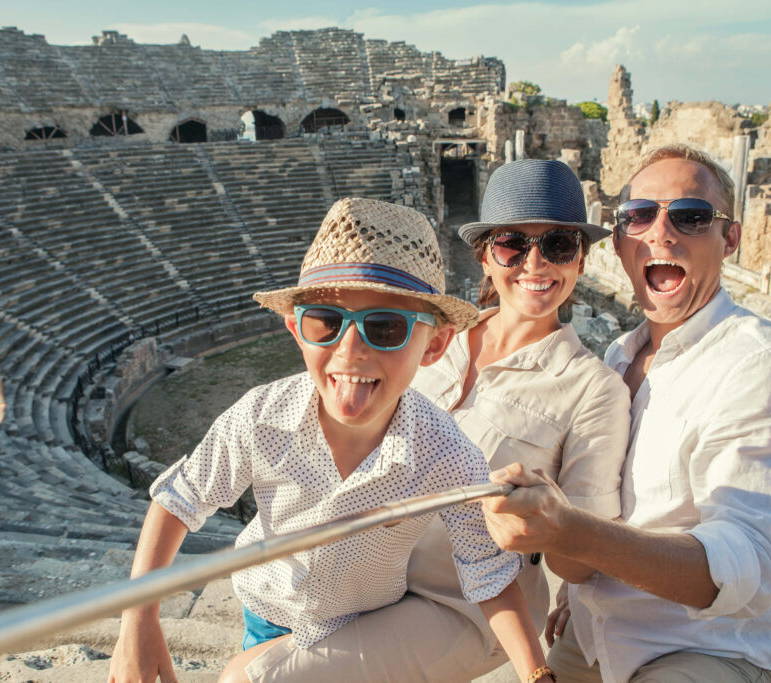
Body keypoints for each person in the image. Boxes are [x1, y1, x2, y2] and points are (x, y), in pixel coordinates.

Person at [107, 197, 550, 683]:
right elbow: (178, 500)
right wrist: (139, 621)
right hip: (267, 612)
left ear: (435, 345)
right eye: (326, 322)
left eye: (385, 327)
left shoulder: (445, 453)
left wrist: (537, 673)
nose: (350, 350)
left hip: (362, 626)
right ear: (296, 329)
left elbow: (487, 572)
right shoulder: (260, 416)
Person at [246, 160, 631, 682]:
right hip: (360, 579)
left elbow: (582, 563)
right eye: (512, 245)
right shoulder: (422, 335)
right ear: (486, 257)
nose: (535, 263)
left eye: (559, 245)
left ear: (581, 260)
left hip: (461, 604)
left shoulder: (594, 389)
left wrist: (549, 521)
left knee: (259, 677)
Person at [483, 144, 771, 683]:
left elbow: (747, 566)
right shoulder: (619, 357)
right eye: (640, 215)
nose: (661, 233)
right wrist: (578, 587)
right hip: (595, 637)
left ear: (730, 239)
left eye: (691, 216)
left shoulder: (765, 364)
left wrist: (570, 533)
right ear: (620, 239)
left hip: (704, 648)